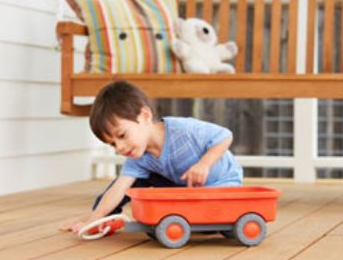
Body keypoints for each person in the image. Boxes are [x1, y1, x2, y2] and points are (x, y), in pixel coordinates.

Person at [60, 80, 243, 234]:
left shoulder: (183, 130)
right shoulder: (138, 156)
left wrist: (204, 164)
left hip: (221, 183)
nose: (120, 148)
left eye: (122, 135)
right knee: (128, 182)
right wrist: (92, 220)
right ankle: (100, 217)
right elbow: (119, 188)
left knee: (204, 224)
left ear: (145, 116)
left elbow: (225, 136)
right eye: (113, 144)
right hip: (185, 187)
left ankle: (99, 216)